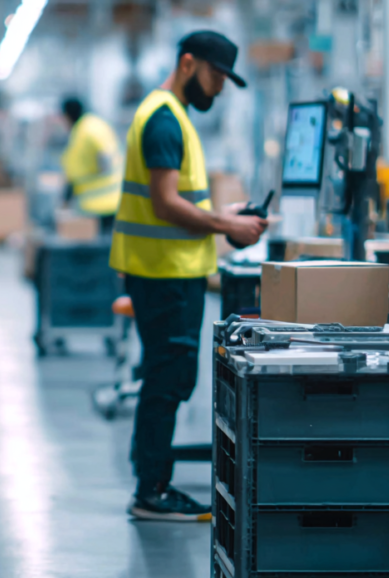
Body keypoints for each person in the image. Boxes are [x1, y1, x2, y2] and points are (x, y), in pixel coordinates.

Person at [109, 30, 268, 521]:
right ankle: (151, 491)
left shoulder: (168, 115)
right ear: (187, 64)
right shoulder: (163, 119)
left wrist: (226, 214)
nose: (219, 88)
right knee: (168, 378)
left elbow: (180, 202)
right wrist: (227, 224)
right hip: (164, 276)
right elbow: (164, 203)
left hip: (168, 271)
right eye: (215, 75)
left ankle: (151, 483)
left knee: (168, 377)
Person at [60, 97, 123, 232]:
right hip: (114, 201)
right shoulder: (96, 123)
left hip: (97, 206)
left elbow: (104, 157)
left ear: (67, 115)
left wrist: (65, 201)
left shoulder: (84, 131)